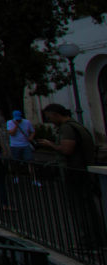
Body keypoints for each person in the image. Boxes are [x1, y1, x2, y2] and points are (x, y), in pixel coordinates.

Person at [37, 103, 101, 251]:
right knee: (87, 207)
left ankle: (88, 243)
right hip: (81, 171)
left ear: (55, 114)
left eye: (49, 117)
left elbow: (66, 149)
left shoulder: (67, 129)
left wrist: (50, 144)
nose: (49, 120)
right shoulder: (77, 126)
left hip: (74, 172)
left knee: (79, 208)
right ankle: (97, 240)